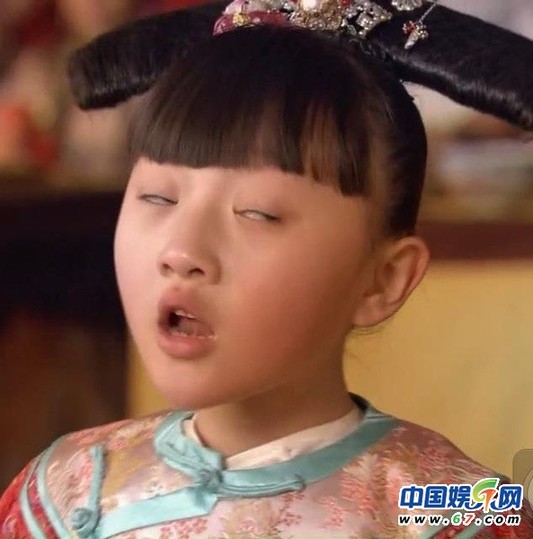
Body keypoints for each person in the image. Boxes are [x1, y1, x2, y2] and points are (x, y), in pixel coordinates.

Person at [1, 0, 533, 537]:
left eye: (257, 213)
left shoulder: (460, 513)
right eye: (158, 197)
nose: (181, 250)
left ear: (384, 278)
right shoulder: (61, 495)